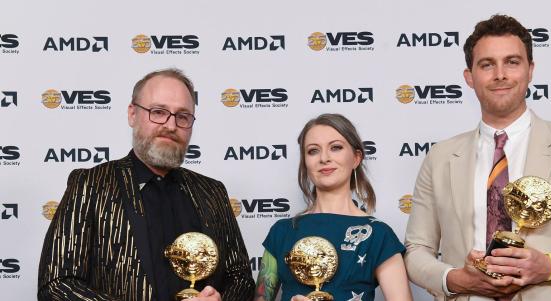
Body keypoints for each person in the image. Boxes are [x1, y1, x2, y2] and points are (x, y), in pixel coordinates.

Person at [404, 14, 551, 301]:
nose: (500, 74)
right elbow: (416, 250)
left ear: (530, 70)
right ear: (469, 76)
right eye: (487, 64)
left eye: (512, 62)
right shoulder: (440, 157)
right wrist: (455, 279)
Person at [38, 68, 255, 301]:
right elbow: (58, 285)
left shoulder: (212, 192)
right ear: (132, 114)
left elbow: (240, 276)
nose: (171, 126)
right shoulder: (89, 185)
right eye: (158, 112)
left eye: (182, 116)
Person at [254, 113, 412, 301]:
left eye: (335, 148)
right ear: (305, 162)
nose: (324, 158)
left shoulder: (379, 235)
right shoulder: (282, 231)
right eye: (313, 150)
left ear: (356, 158)